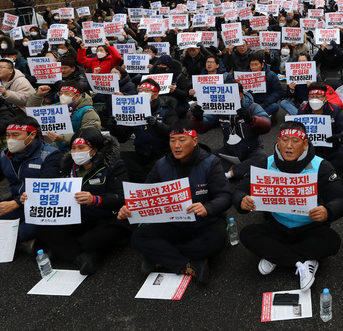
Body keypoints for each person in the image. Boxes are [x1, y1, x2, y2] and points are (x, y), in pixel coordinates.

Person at [234, 122, 343, 291]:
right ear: (278, 142)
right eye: (285, 140)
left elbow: (342, 199)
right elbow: (239, 191)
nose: (289, 145)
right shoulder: (265, 162)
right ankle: (305, 261)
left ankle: (275, 255)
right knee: (247, 234)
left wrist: (328, 210)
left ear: (305, 145)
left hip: (310, 227)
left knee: (332, 241)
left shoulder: (321, 166)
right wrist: (242, 200)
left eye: (295, 140)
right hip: (277, 226)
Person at [118, 120, 232, 284]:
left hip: (205, 223)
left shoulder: (210, 163)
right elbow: (144, 195)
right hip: (173, 223)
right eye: (173, 141)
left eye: (182, 140)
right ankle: (190, 263)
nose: (176, 145)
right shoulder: (161, 165)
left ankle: (159, 257)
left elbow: (225, 196)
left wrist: (207, 208)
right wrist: (130, 208)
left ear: (194, 140)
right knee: (138, 237)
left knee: (217, 239)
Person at [30, 128, 129, 275]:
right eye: (73, 148)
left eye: (81, 148)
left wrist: (95, 199)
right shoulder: (68, 166)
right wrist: (32, 197)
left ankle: (68, 249)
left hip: (107, 217)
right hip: (78, 216)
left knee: (92, 240)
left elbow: (121, 197)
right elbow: (55, 191)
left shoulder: (114, 166)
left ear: (95, 149)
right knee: (43, 227)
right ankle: (82, 258)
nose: (76, 152)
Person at [0, 116, 63, 242]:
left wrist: (16, 203)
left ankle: (25, 242)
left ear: (32, 135)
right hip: (16, 204)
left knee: (26, 231)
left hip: (41, 207)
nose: (10, 140)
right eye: (8, 135)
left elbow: (46, 189)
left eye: (15, 135)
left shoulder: (50, 155)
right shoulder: (4, 155)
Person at [191, 82, 271, 180]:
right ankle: (239, 171)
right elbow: (202, 128)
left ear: (240, 95)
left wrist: (251, 119)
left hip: (251, 151)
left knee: (263, 158)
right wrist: (198, 119)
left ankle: (229, 174)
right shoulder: (220, 107)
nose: (225, 98)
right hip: (229, 151)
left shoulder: (252, 107)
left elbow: (267, 126)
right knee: (203, 154)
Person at [109, 79, 178, 183]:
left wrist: (156, 125)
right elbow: (123, 138)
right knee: (115, 160)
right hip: (141, 152)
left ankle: (146, 180)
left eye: (147, 90)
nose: (142, 92)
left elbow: (173, 133)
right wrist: (114, 127)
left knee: (158, 167)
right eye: (140, 90)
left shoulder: (167, 110)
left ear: (155, 95)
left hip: (162, 153)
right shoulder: (133, 110)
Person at [296, 82, 343, 172]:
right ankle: (326, 172)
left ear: (325, 99)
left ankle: (321, 171)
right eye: (312, 97)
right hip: (310, 151)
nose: (314, 100)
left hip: (332, 150)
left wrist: (341, 137)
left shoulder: (335, 110)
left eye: (318, 97)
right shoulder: (302, 111)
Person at [27, 81, 101, 148]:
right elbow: (35, 112)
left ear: (77, 95)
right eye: (61, 93)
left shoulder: (87, 111)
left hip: (80, 148)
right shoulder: (57, 107)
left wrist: (62, 138)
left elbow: (89, 134)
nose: (62, 96)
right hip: (59, 147)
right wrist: (38, 95)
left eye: (67, 93)